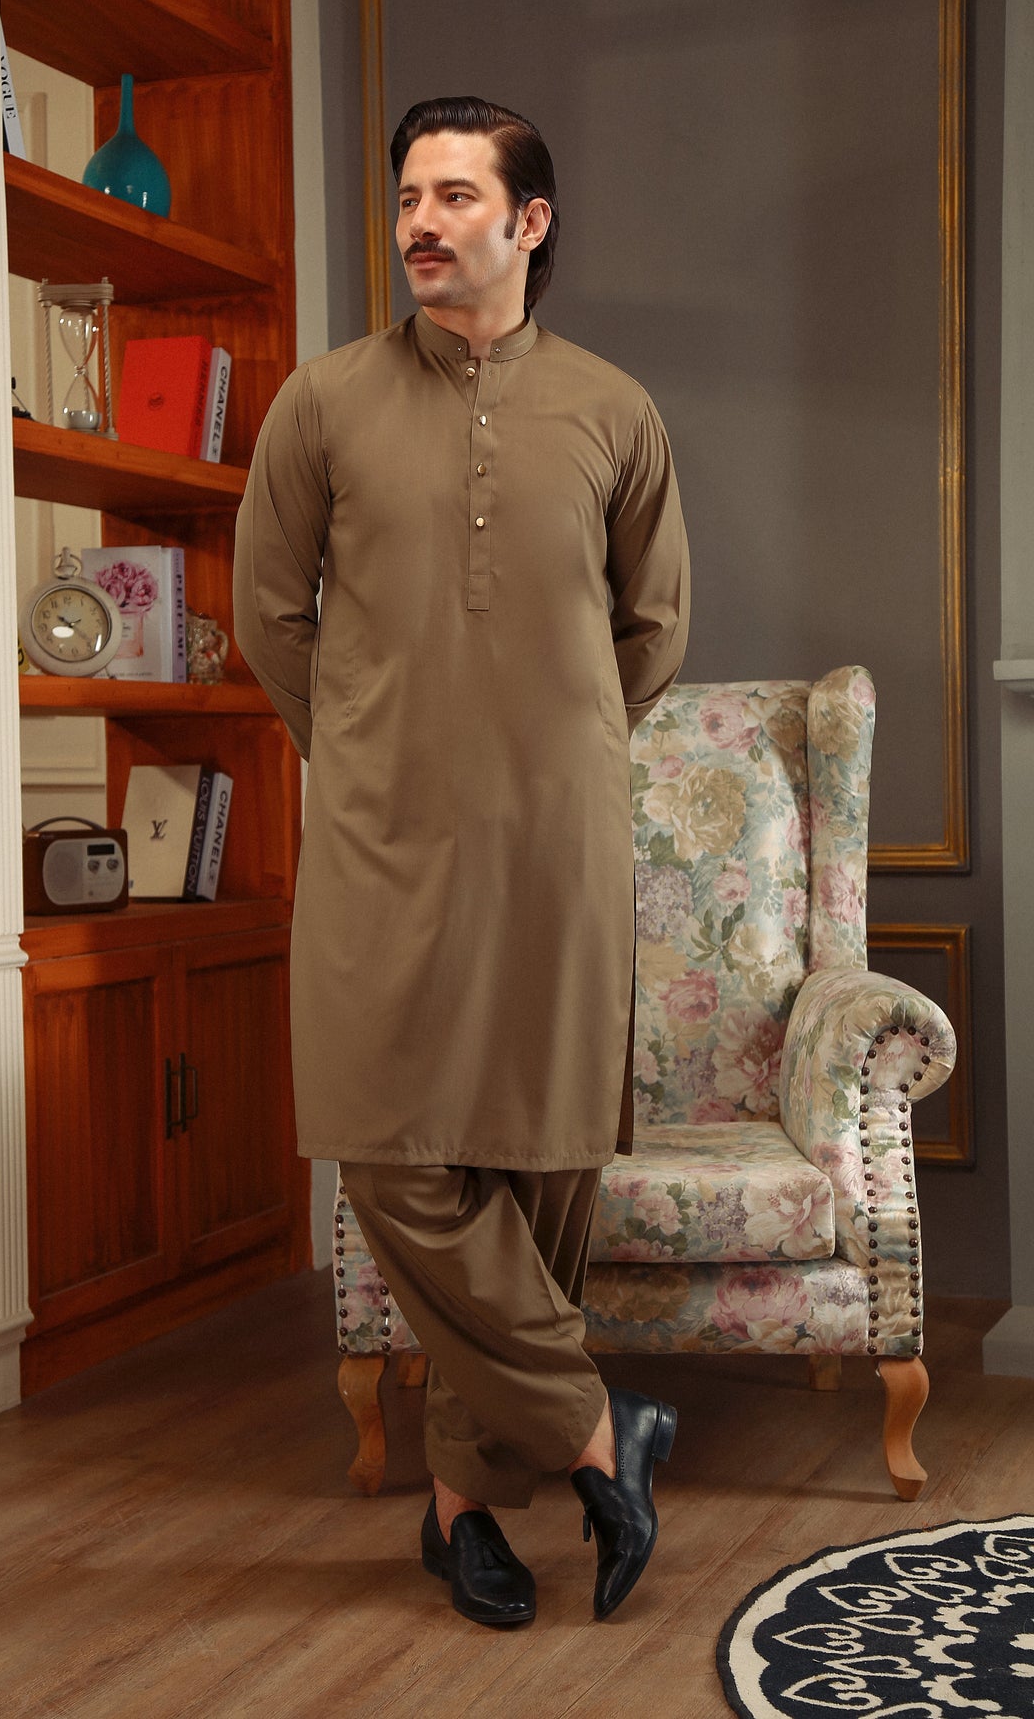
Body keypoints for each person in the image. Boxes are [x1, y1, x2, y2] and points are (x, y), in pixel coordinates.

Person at [233, 96, 690, 1627]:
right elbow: (267, 614)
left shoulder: (616, 410)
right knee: (390, 1143)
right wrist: (368, 747)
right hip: (381, 837)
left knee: (544, 1159)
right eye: (407, 198)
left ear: (528, 221)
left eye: (452, 196)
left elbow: (653, 626)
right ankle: (599, 1429)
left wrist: (556, 749)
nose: (420, 223)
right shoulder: (324, 402)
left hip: (559, 840)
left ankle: (461, 1512)